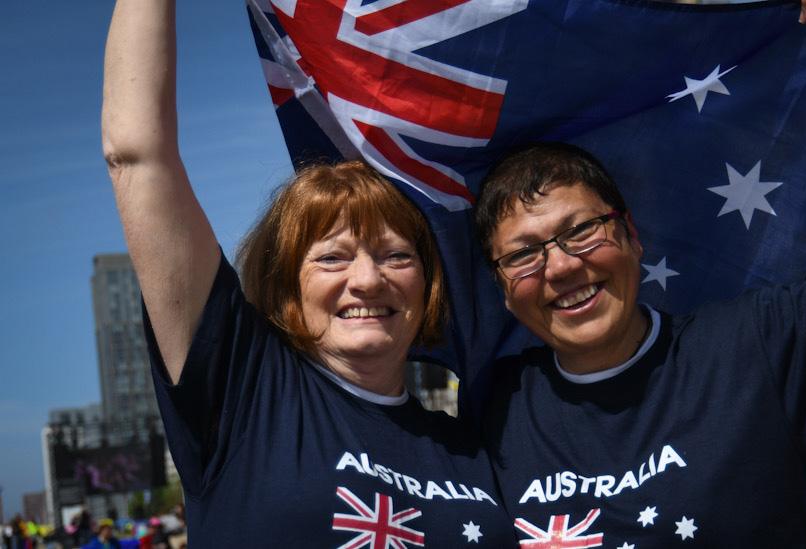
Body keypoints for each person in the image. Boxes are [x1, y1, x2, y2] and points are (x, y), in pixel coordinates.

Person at [473, 0, 806, 545]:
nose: (562, 266)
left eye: (582, 230)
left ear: (633, 238)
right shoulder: (492, 413)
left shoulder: (758, 346)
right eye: (523, 254)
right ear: (500, 288)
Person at [101, 0, 516, 546]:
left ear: (429, 285)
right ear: (286, 282)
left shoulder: (475, 442)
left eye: (396, 256)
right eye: (332, 257)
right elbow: (137, 153)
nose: (368, 279)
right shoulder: (242, 391)